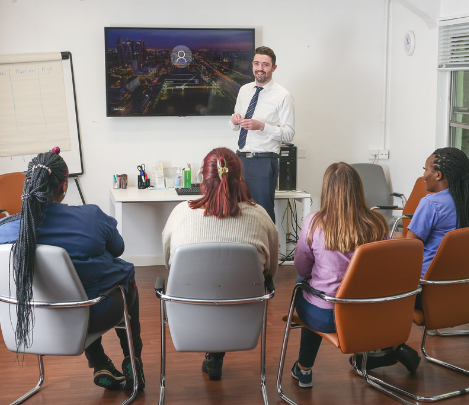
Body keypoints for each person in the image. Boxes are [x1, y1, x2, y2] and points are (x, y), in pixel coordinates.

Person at [0, 148, 145, 391]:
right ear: (63, 187)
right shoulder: (91, 218)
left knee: (73, 292)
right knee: (122, 284)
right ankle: (133, 362)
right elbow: (118, 248)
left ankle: (100, 363)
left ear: (29, 185)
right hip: (91, 316)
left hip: (29, 322)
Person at [289, 163, 420, 389]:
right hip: (368, 314)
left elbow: (302, 268)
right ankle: (382, 348)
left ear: (327, 190)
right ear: (359, 189)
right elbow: (383, 270)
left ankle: (304, 369)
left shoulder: (314, 222)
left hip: (328, 317)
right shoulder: (378, 223)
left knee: (303, 283)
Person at [162, 147, 279, 380]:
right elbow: (270, 270)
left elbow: (170, 264)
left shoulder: (180, 214)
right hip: (243, 317)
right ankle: (216, 356)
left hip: (189, 316)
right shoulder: (260, 217)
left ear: (201, 180)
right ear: (240, 179)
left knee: (211, 285)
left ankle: (213, 355)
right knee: (226, 286)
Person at [229, 46, 295, 223]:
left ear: (273, 68)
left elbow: (289, 134)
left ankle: (267, 251)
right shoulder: (244, 90)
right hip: (240, 159)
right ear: (252, 65)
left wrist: (262, 126)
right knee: (237, 212)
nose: (260, 68)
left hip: (264, 162)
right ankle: (243, 251)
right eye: (256, 63)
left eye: (265, 64)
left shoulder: (283, 95)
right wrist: (234, 121)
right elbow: (234, 124)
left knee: (262, 215)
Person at [407, 147, 469, 279]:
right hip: (460, 280)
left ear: (438, 175)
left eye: (425, 169)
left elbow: (409, 247)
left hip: (426, 282)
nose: (423, 175)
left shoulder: (430, 203)